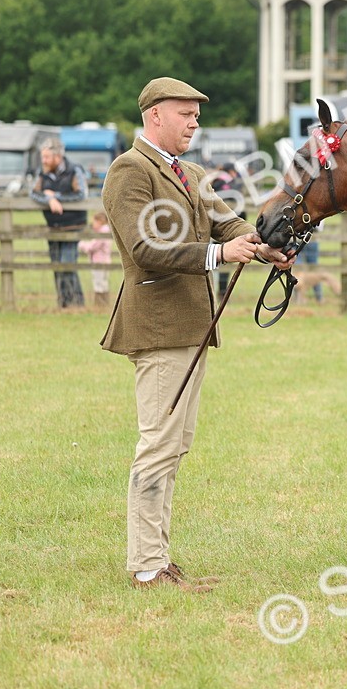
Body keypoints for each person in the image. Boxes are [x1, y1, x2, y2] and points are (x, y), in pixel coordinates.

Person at [101, 77, 294, 593]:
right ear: (154, 115)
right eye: (185, 114)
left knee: (175, 445)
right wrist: (217, 255)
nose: (194, 123)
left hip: (192, 326)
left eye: (196, 116)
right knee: (158, 445)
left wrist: (263, 246)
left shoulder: (191, 173)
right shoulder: (129, 172)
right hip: (158, 328)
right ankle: (145, 566)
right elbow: (145, 248)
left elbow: (228, 225)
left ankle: (158, 559)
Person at [30, 139, 87, 307]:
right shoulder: (42, 172)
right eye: (43, 157)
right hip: (53, 226)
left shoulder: (74, 171)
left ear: (58, 156)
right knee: (57, 265)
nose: (44, 161)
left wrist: (56, 196)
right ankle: (64, 302)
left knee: (67, 264)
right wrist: (48, 198)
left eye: (47, 157)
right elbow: (33, 193)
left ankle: (76, 303)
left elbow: (81, 194)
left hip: (72, 225)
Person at [206, 163, 246, 296]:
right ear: (231, 172)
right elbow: (238, 206)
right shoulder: (229, 184)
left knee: (211, 261)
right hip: (225, 228)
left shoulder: (214, 182)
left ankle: (214, 291)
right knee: (224, 261)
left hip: (211, 227)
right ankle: (222, 291)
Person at [79, 211, 113, 308]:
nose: (93, 224)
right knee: (104, 282)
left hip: (99, 262)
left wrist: (81, 244)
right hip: (105, 261)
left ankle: (100, 304)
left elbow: (93, 246)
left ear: (99, 221)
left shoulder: (102, 232)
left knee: (99, 283)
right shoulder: (105, 231)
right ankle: (104, 303)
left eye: (94, 222)